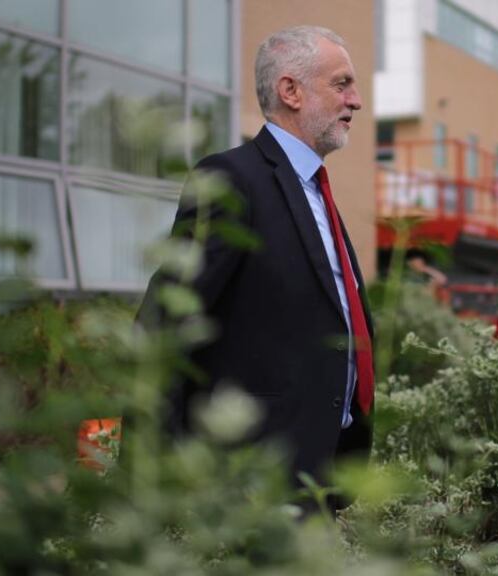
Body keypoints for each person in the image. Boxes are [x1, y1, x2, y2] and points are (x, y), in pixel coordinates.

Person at [136, 26, 373, 505]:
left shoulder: (315, 193)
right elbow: (165, 326)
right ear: (291, 91)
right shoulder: (230, 179)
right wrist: (158, 482)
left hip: (319, 471)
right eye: (342, 84)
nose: (357, 100)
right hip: (252, 483)